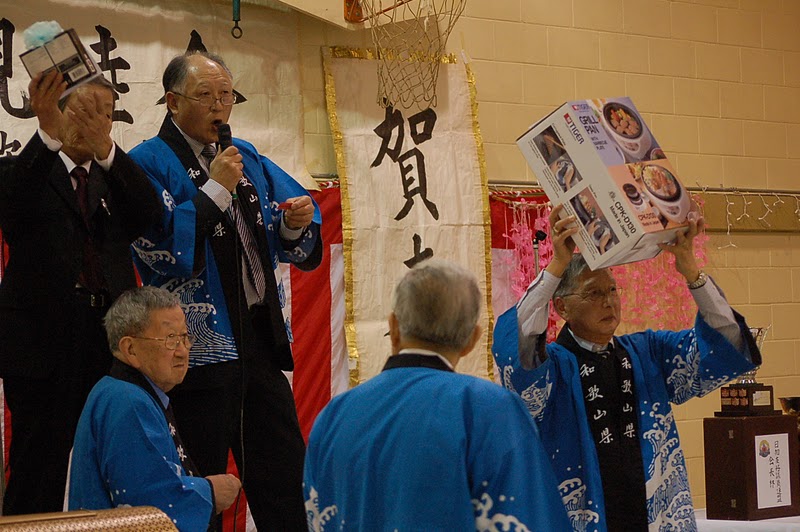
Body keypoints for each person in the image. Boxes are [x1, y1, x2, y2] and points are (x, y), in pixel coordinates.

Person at [129, 51, 322, 529]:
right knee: (202, 484)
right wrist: (213, 191)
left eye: (226, 96)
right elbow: (162, 249)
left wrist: (295, 223)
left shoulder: (247, 157)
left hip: (256, 340)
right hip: (192, 349)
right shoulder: (145, 164)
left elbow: (289, 223)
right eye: (206, 96)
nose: (220, 107)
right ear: (172, 102)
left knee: (283, 476)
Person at [493, 205, 762, 532]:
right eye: (593, 293)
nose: (608, 302)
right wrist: (557, 266)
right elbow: (517, 353)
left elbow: (725, 344)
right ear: (562, 307)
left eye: (612, 290)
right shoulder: (552, 370)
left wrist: (691, 270)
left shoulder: (648, 352)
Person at [304, 259, 571, 531]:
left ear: (393, 327)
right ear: (472, 340)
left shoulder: (334, 417)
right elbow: (530, 518)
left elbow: (318, 518)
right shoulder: (491, 410)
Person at [0, 71, 161, 514]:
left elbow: (149, 216)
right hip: (42, 341)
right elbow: (12, 214)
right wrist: (47, 134)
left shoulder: (115, 176)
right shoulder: (25, 167)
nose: (95, 122)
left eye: (105, 114)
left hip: (108, 336)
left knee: (109, 451)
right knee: (40, 460)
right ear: (59, 111)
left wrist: (107, 150)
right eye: (85, 110)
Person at [68, 286, 242, 530]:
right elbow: (147, 503)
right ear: (130, 349)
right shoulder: (128, 401)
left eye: (184, 337)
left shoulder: (122, 392)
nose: (183, 351)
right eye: (170, 339)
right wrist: (210, 491)